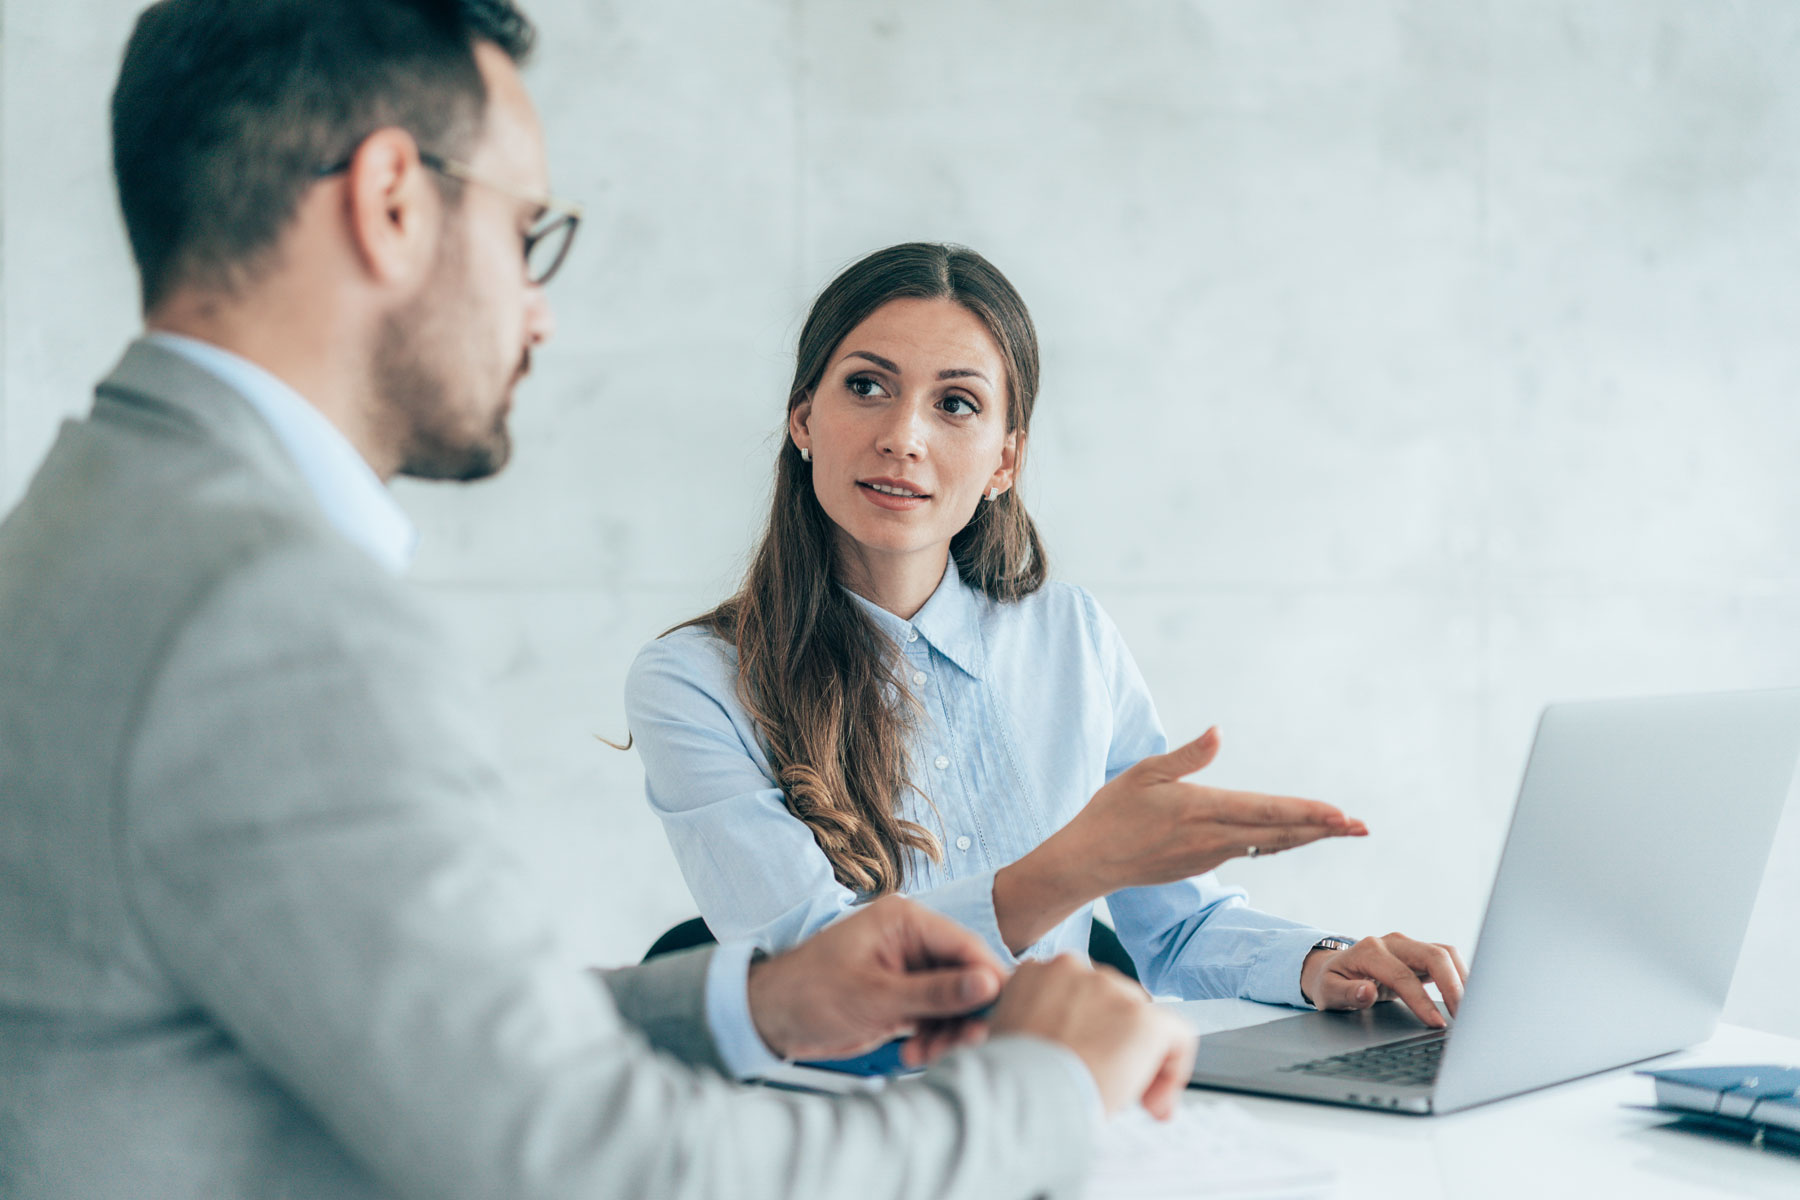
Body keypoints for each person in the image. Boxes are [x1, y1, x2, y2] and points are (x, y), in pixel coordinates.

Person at [0, 5, 1199, 1199]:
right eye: (527, 233)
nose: (540, 310)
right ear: (391, 203)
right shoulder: (273, 611)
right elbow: (589, 1162)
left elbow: (399, 1023)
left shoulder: (90, 521)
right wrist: (1040, 1091)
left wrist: (756, 998)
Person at [627, 242, 1469, 1027]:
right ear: (803, 420)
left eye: (956, 404)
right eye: (867, 387)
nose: (903, 437)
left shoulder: (1073, 638)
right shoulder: (694, 682)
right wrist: (1073, 868)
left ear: (1004, 461)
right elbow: (814, 969)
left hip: (1068, 1102)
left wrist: (1324, 963)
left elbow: (1177, 931)